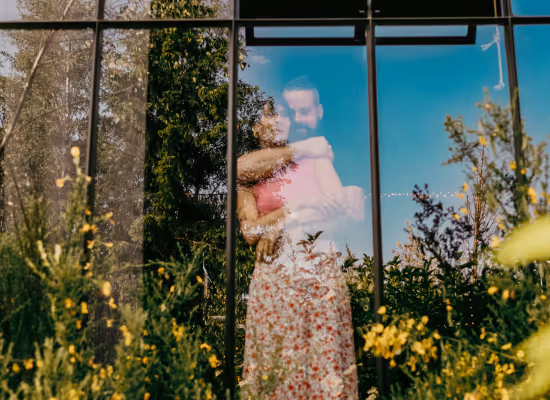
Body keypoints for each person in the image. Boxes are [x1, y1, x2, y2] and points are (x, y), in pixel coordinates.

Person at [236, 77, 362, 399]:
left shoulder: (313, 161)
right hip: (274, 283)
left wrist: (286, 220)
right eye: (268, 113)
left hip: (319, 277)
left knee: (323, 370)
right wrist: (290, 213)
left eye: (281, 114)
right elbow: (251, 232)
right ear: (255, 127)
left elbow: (346, 205)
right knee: (276, 372)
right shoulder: (248, 181)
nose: (277, 119)